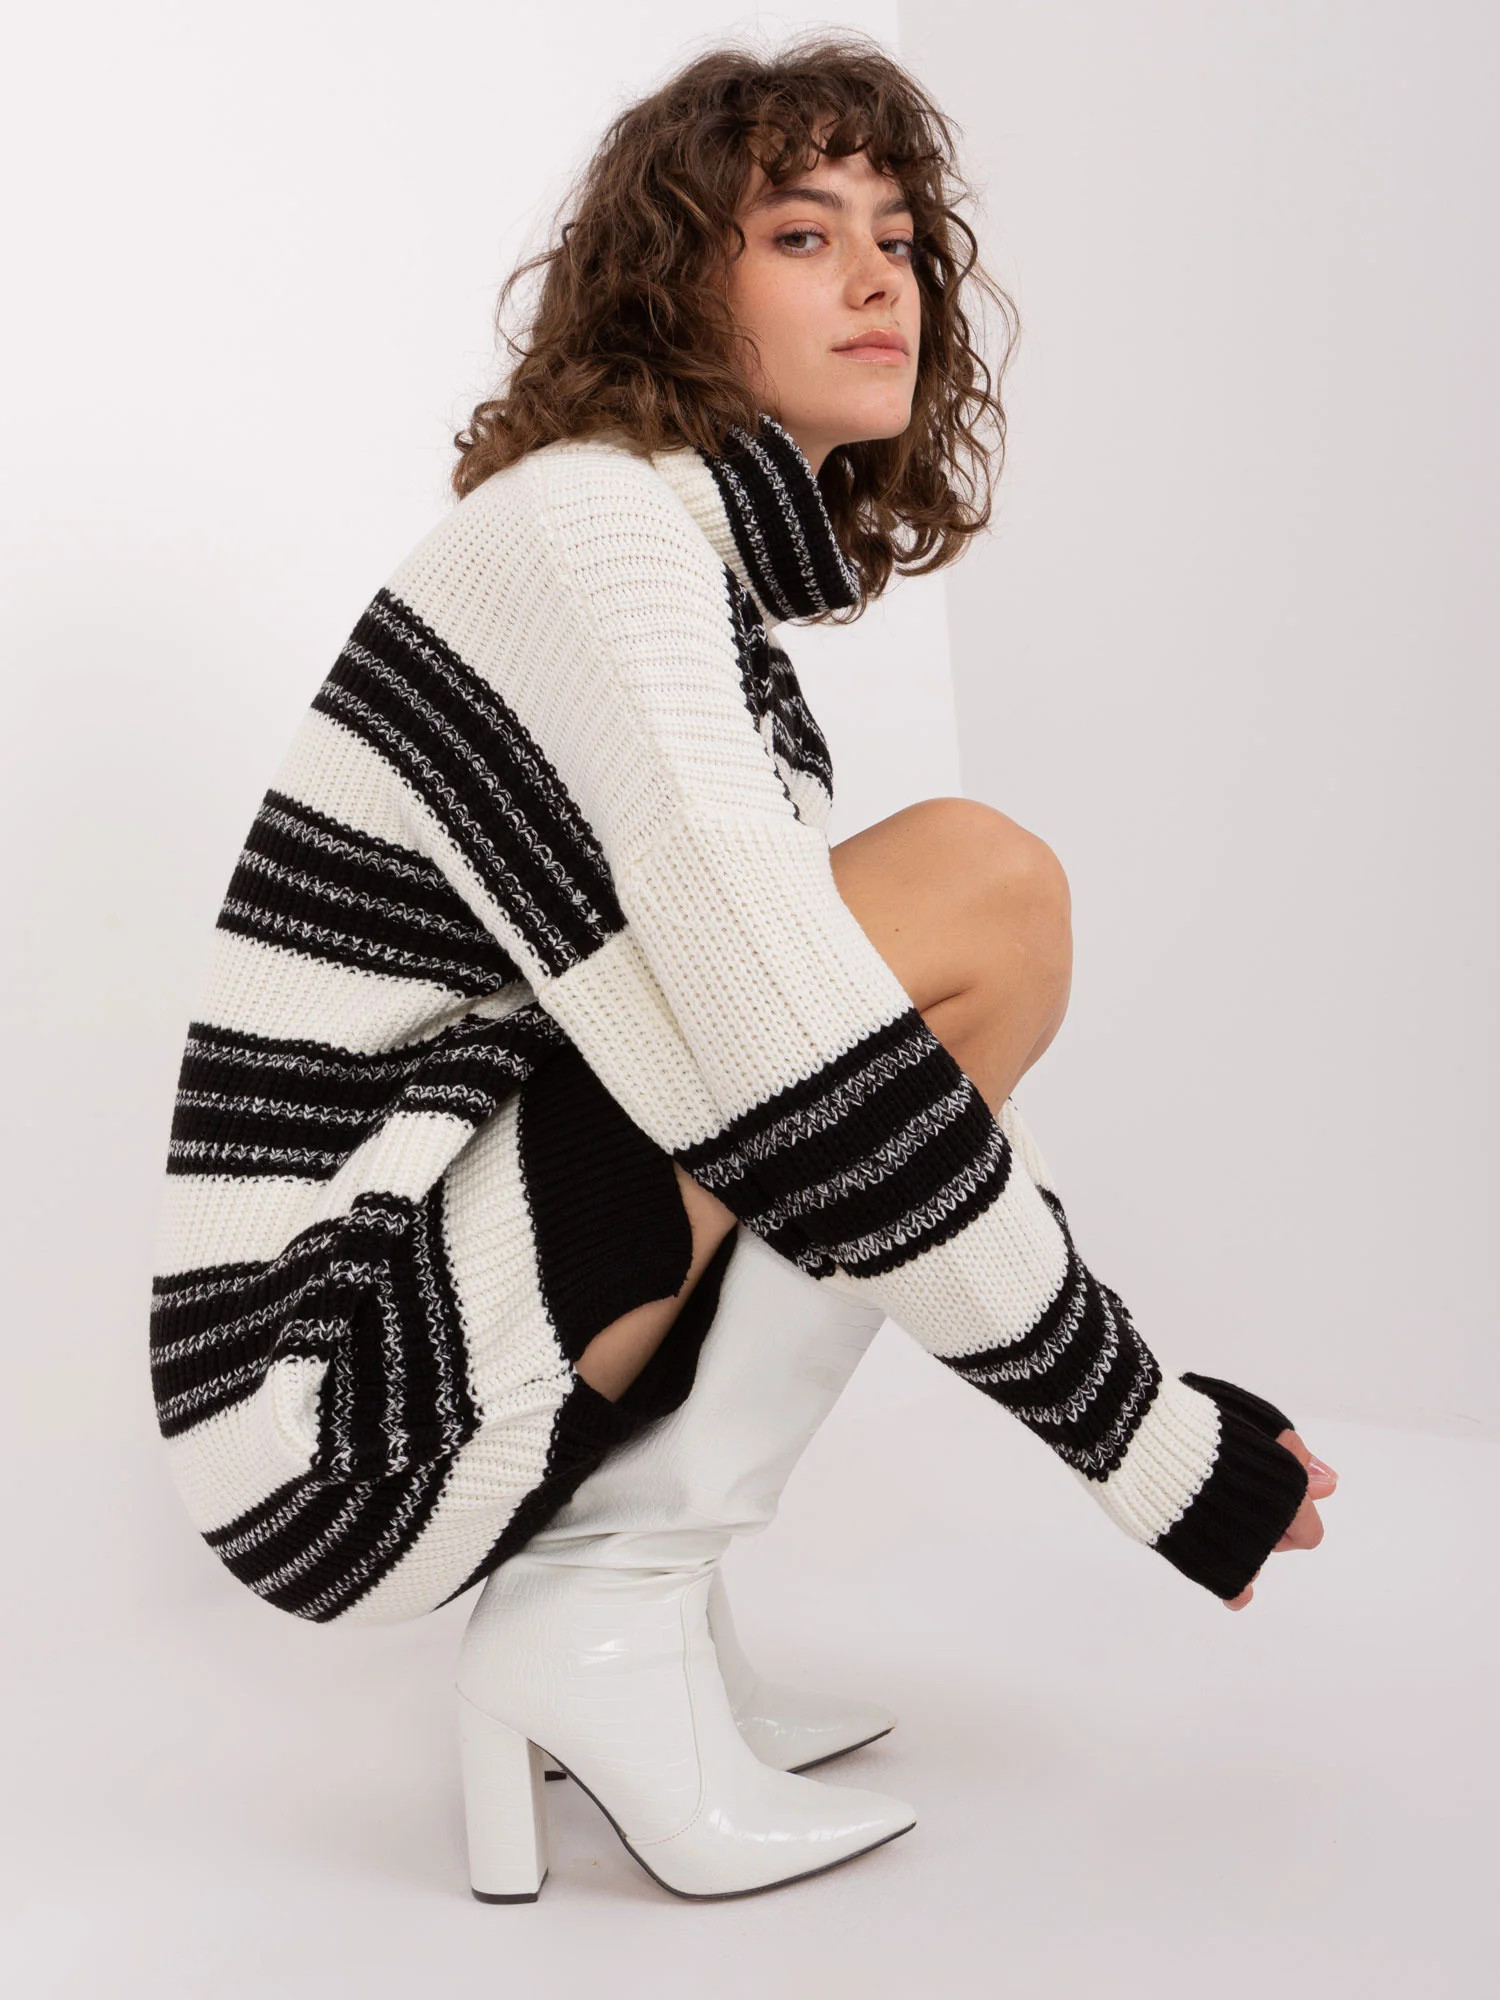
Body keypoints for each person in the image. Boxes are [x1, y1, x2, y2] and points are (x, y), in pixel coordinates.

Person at [148, 34, 1338, 1904]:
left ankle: (632, 1604)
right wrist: (1145, 1433)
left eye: (899, 238)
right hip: (328, 1397)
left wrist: (1122, 1386)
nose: (881, 279)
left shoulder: (675, 570)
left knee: (914, 992)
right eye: (802, 234)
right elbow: (802, 1068)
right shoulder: (596, 533)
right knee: (977, 897)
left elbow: (831, 1088)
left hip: (412, 1323)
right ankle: (602, 1613)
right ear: (674, 290)